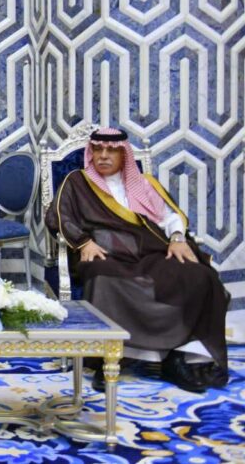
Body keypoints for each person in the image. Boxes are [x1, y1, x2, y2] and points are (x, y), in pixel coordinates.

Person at [45, 127, 229, 393]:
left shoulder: (143, 184)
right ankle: (110, 358)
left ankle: (178, 356)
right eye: (98, 149)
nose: (103, 156)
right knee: (104, 278)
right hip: (105, 252)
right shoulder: (77, 182)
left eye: (111, 151)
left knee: (199, 275)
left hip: (149, 251)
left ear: (125, 155)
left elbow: (170, 217)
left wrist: (177, 238)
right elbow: (58, 216)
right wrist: (83, 242)